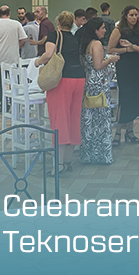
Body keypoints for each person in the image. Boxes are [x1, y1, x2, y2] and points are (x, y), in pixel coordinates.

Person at [34, 11, 85, 175]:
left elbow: (48, 54)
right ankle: (68, 161)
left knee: (60, 120)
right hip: (79, 78)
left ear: (58, 23)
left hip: (62, 80)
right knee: (73, 119)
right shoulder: (75, 38)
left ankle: (59, 164)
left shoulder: (54, 35)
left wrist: (37, 62)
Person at [79, 17, 120, 165]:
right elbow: (98, 65)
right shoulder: (96, 44)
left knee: (90, 121)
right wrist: (110, 59)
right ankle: (101, 154)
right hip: (98, 84)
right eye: (102, 28)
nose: (104, 30)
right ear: (95, 30)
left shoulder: (86, 44)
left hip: (89, 82)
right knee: (101, 120)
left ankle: (89, 153)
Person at [108, 5, 139, 145]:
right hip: (125, 66)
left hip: (138, 65)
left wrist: (135, 47)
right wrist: (126, 50)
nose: (134, 18)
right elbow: (110, 49)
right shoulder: (118, 30)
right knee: (125, 97)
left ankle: (130, 131)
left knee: (135, 98)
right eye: (131, 15)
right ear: (125, 16)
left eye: (136, 15)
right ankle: (118, 132)